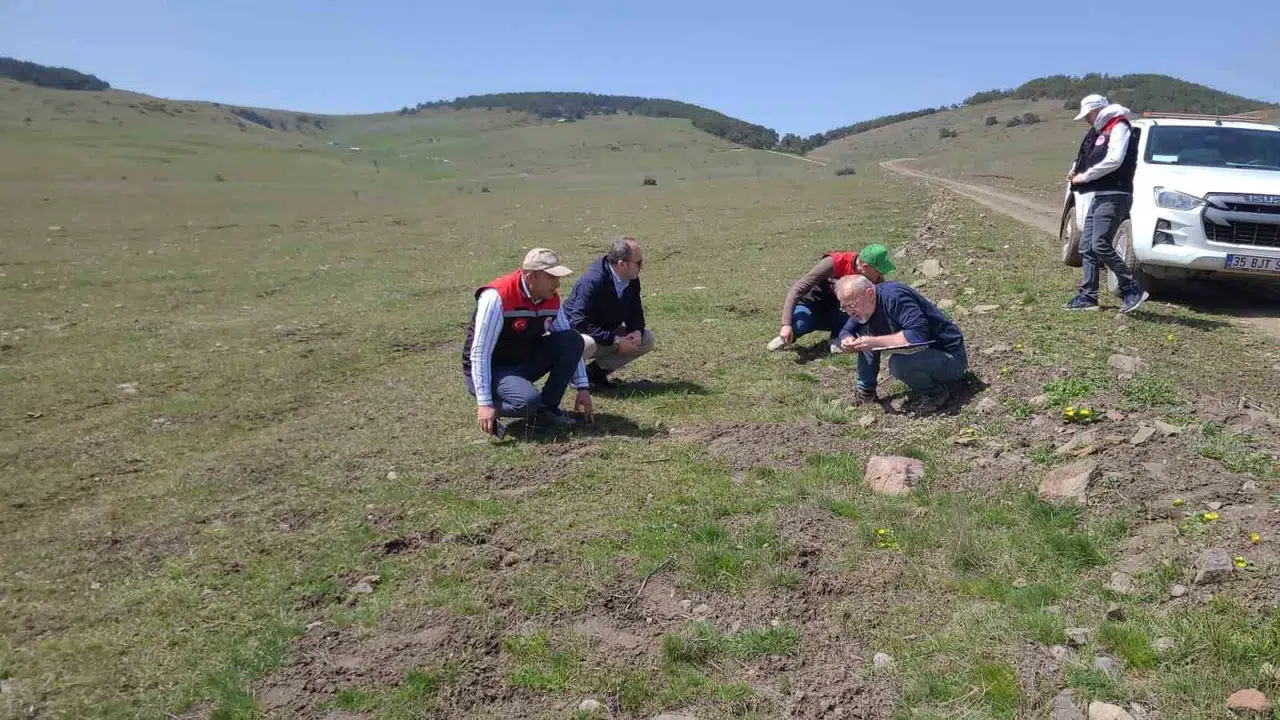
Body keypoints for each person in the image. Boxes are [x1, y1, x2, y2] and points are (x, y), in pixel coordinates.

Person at [462, 248, 595, 435]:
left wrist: (582, 387)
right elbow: (480, 352)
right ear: (531, 277)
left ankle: (546, 409)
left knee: (572, 339)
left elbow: (569, 341)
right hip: (493, 369)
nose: (557, 284)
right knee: (527, 402)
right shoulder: (497, 297)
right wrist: (484, 402)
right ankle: (495, 409)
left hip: (521, 362)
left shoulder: (550, 298)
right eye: (551, 277)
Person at [1063, 93, 1149, 314]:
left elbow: (1114, 159)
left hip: (1115, 194)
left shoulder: (1119, 127)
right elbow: (1088, 156)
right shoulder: (1099, 131)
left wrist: (1087, 176)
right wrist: (1076, 170)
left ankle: (1132, 288)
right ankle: (1088, 296)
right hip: (1100, 194)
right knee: (1087, 246)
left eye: (1087, 115)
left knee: (1100, 243)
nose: (1086, 120)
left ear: (1095, 111)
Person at [836, 275, 967, 413]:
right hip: (923, 353)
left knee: (898, 364)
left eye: (851, 305)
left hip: (950, 356)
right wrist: (847, 339)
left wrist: (874, 341)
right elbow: (847, 330)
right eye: (845, 307)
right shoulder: (863, 308)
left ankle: (936, 393)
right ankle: (866, 391)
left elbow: (918, 334)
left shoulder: (894, 297)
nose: (850, 311)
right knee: (864, 339)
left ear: (869, 293)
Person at [563, 236, 656, 388]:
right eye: (638, 263)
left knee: (647, 339)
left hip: (604, 333)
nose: (642, 267)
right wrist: (616, 340)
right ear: (621, 264)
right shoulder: (593, 281)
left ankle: (595, 372)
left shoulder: (631, 279)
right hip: (575, 337)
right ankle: (573, 375)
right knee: (588, 343)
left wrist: (636, 331)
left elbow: (635, 312)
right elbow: (578, 323)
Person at [767, 244, 896, 353]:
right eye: (879, 271)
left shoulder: (874, 278)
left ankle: (838, 337)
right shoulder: (834, 262)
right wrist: (786, 324)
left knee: (857, 312)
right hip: (812, 305)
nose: (881, 275)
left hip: (839, 311)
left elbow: (878, 302)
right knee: (800, 324)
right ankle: (786, 336)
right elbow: (797, 289)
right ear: (865, 266)